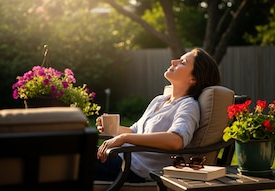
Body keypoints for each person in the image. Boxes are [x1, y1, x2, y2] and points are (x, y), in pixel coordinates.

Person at [95, 48, 221, 182]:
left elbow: (176, 140)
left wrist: (124, 138)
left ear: (193, 78)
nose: (173, 61)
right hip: (119, 158)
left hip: (131, 170)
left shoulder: (188, 106)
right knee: (75, 147)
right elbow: (135, 131)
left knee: (74, 154)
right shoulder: (159, 100)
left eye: (182, 62)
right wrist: (112, 128)